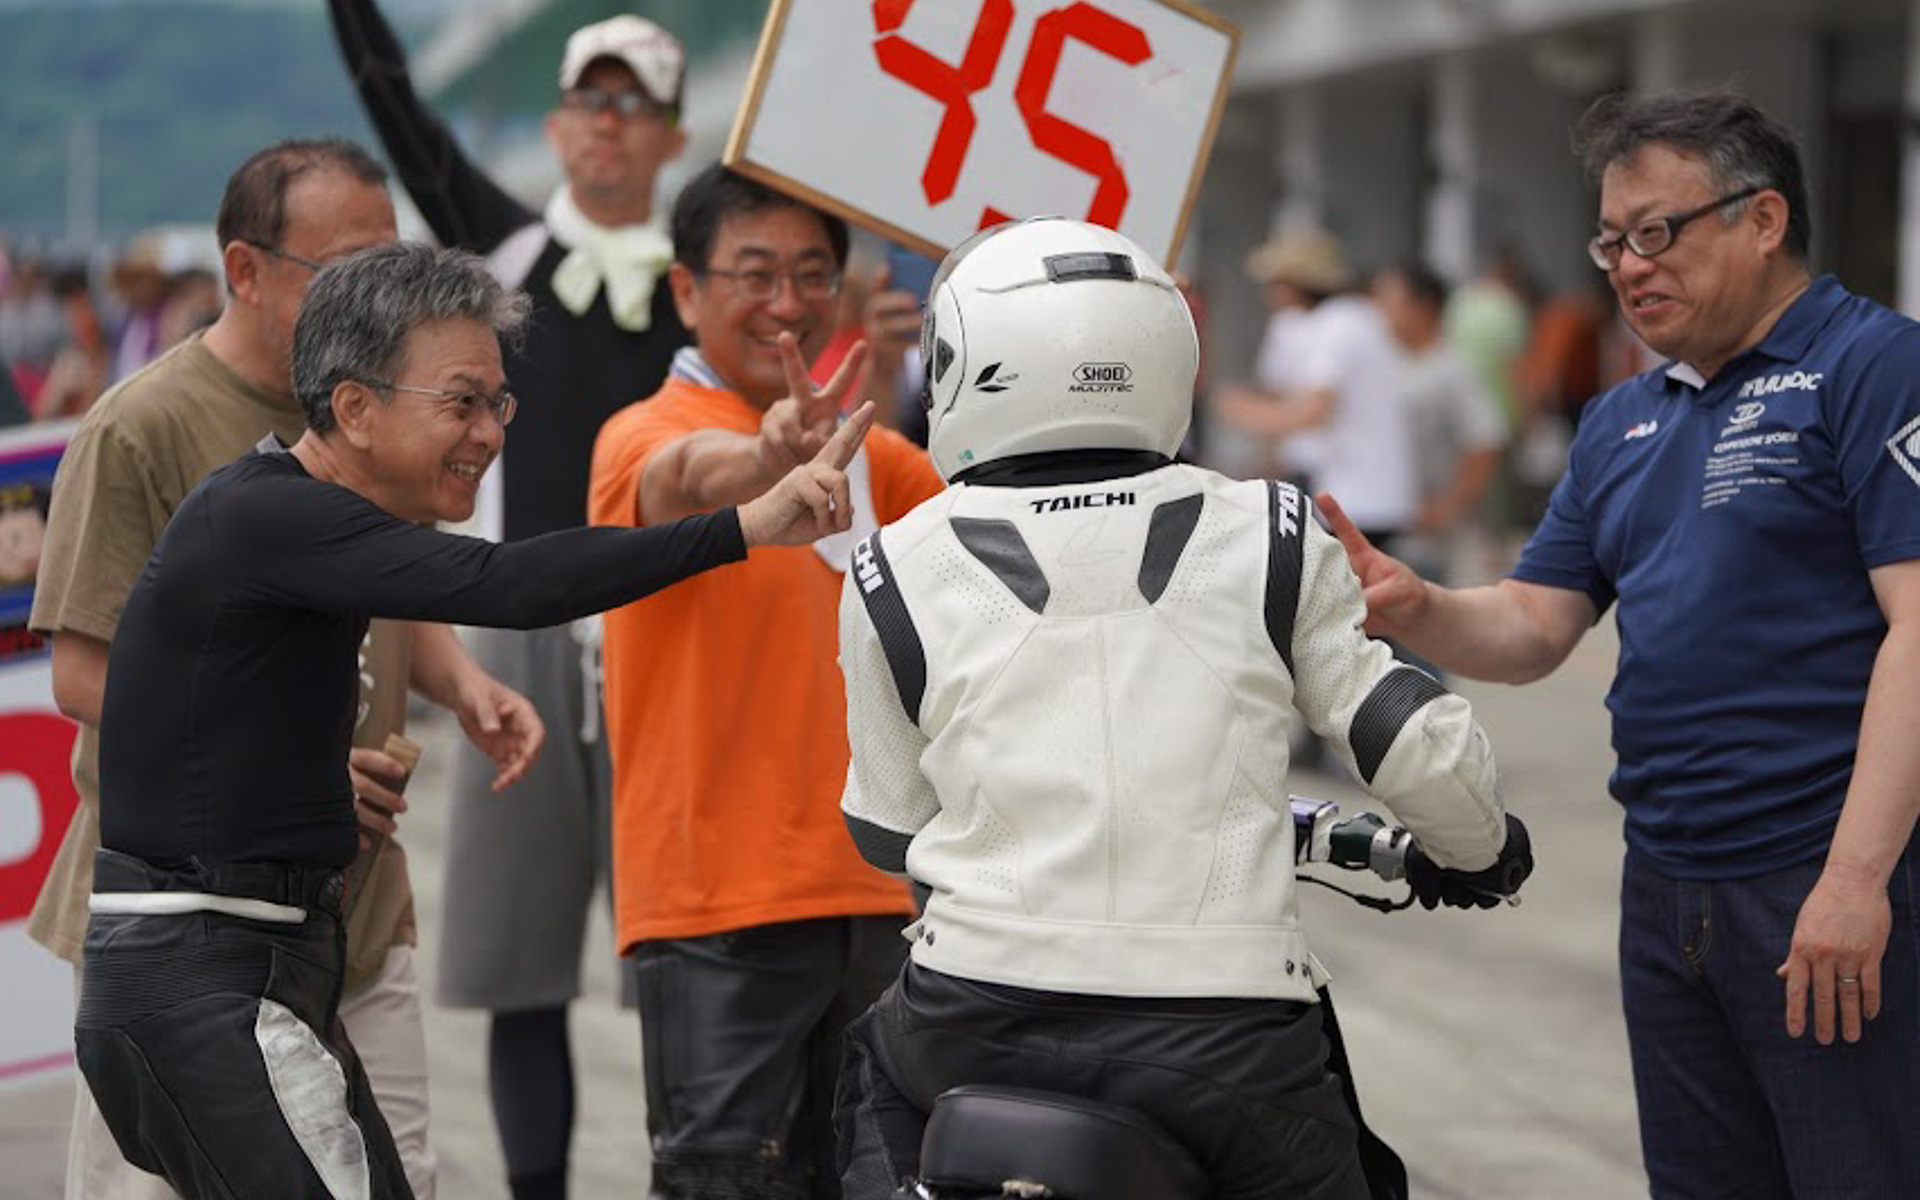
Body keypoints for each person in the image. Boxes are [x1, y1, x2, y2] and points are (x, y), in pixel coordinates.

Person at [73, 241, 875, 1200]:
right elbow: (508, 582)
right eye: (461, 403)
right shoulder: (266, 516)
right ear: (354, 407)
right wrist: (748, 525)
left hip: (236, 969)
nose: (490, 434)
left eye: (500, 403)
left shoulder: (291, 516)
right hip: (204, 980)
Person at [830, 216, 1532, 1200]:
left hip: (972, 1013)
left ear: (968, 365)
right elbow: (1412, 739)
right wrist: (1480, 848)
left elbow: (887, 832)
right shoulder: (1270, 528)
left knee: (870, 1091)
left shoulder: (891, 565)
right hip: (1231, 1034)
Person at [1320, 90, 1920, 1197]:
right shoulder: (1623, 421)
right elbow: (1536, 623)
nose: (1631, 268)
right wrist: (1419, 607)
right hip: (1668, 885)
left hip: (1819, 875)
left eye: (1658, 232)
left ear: (1764, 219)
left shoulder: (1871, 365)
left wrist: (1855, 881)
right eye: (1612, 243)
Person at [28, 138, 528, 1200]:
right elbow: (80, 673)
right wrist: (291, 768)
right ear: (244, 271)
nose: (379, 288)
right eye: (343, 266)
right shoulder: (140, 427)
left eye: (390, 258)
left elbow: (397, 584)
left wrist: (462, 683)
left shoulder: (395, 403)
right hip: (179, 932)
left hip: (356, 912)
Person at [328, 8, 691, 1195]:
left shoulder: (707, 282)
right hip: (519, 637)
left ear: (673, 135)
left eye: (633, 103)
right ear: (558, 124)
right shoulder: (508, 253)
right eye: (589, 99)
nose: (607, 123)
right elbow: (399, 109)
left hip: (669, 638)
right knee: (520, 970)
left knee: (687, 962)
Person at [587, 164, 944, 1199]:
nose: (786, 301)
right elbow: (687, 478)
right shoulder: (640, 435)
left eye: (810, 273)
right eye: (754, 274)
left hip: (887, 895)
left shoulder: (889, 461)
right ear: (686, 289)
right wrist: (766, 462)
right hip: (716, 905)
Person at [1212, 229, 1416, 548]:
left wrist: (1241, 413)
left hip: (1358, 499)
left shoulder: (1340, 323)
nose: (1269, 292)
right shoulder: (1325, 322)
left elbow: (1314, 412)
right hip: (1349, 494)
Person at [1369, 261, 1506, 585]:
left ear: (1424, 306)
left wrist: (1448, 507)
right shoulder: (1380, 362)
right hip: (1383, 525)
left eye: (1389, 300)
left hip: (1436, 539)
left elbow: (1485, 442)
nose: (1379, 310)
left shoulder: (1452, 369)